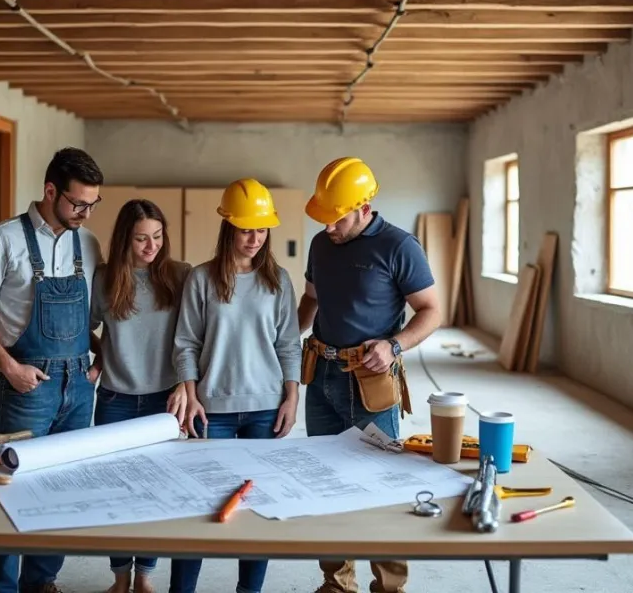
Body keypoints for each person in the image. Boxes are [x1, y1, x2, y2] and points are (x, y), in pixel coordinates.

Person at [0, 147, 105, 593]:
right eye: (78, 203)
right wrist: (8, 366)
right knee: (10, 488)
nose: (85, 213)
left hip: (79, 385)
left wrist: (99, 361)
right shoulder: (3, 239)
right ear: (50, 191)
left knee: (60, 489)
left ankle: (43, 582)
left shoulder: (88, 243)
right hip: (26, 385)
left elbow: (93, 318)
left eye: (92, 205)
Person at [296, 157, 442, 593]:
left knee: (382, 486)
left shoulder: (399, 246)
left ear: (363, 207)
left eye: (336, 218)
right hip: (321, 376)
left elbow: (432, 311)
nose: (327, 228)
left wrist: (394, 344)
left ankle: (389, 587)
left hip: (370, 381)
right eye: (323, 218)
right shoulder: (322, 245)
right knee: (326, 483)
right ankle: (337, 584)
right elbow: (311, 300)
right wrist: (284, 336)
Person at [168, 178, 303, 593]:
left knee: (255, 511)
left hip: (265, 409)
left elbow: (289, 345)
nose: (255, 238)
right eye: (247, 229)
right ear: (229, 227)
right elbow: (185, 344)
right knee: (198, 508)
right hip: (212, 412)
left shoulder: (277, 280)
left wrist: (292, 397)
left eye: (262, 230)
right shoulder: (202, 279)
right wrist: (190, 394)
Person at [89, 199, 191, 593]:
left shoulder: (180, 275)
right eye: (141, 239)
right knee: (114, 492)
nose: (151, 247)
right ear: (124, 241)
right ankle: (119, 578)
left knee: (157, 492)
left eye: (158, 237)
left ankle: (145, 576)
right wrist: (102, 357)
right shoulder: (104, 278)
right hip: (114, 398)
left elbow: (194, 336)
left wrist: (186, 383)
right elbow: (86, 326)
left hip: (164, 400)